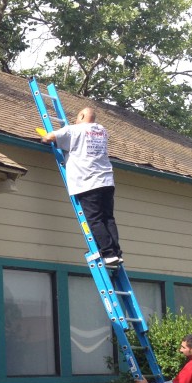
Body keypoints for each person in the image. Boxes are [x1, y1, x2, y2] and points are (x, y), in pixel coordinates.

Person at [40, 107, 123, 267]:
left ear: (83, 115)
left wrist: (43, 136)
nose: (74, 120)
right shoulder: (102, 131)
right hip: (106, 181)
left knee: (94, 219)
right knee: (108, 218)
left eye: (77, 117)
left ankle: (108, 253)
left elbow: (49, 138)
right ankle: (116, 253)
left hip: (88, 182)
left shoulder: (74, 130)